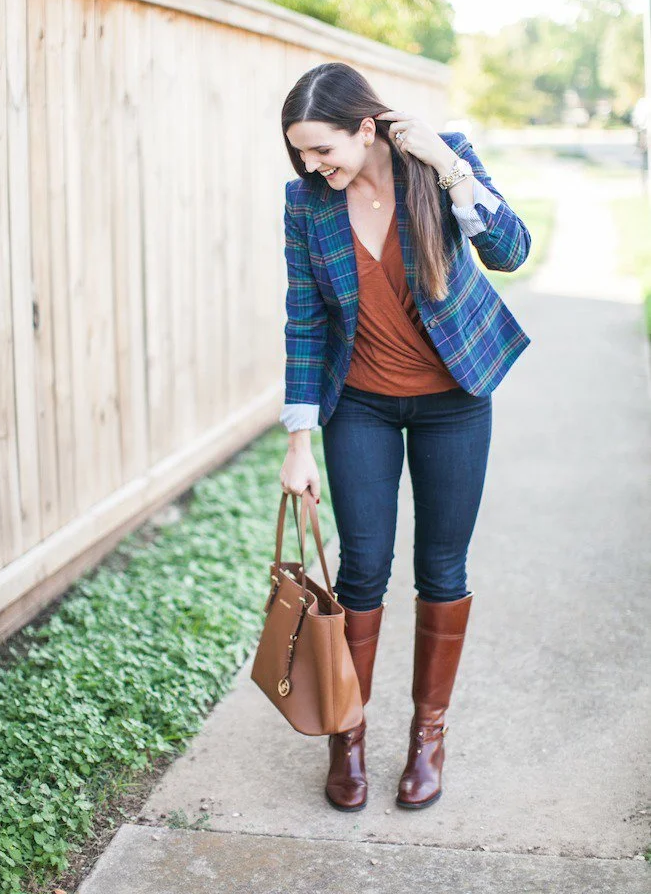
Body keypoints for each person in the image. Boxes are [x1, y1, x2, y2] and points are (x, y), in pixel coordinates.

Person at [278, 62, 531, 813]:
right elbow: (304, 317)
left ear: (364, 126)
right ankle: (347, 737)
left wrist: (451, 168)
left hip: (454, 403)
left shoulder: (439, 160)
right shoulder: (304, 203)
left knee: (442, 568)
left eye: (321, 149)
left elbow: (510, 251)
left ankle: (428, 737)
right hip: (359, 406)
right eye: (298, 154)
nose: (310, 166)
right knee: (361, 570)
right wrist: (298, 439)